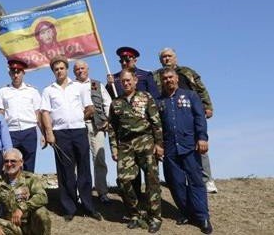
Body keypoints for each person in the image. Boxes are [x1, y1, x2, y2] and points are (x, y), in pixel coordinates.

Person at [39, 57, 102, 221]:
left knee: (84, 168)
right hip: (60, 133)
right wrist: (49, 133)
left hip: (79, 131)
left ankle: (88, 206)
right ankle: (69, 208)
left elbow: (90, 108)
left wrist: (77, 117)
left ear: (66, 69)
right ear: (53, 71)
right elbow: (45, 112)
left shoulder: (79, 87)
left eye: (61, 68)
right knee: (65, 171)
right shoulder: (48, 90)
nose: (59, 71)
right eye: (56, 69)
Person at [157, 69, 213, 234]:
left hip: (189, 145)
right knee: (176, 183)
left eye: (170, 77)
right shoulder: (159, 101)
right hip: (170, 149)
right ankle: (187, 213)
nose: (168, 80)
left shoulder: (190, 95)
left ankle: (202, 216)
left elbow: (199, 118)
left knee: (196, 181)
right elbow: (156, 126)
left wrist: (202, 137)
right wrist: (158, 144)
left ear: (176, 78)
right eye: (165, 78)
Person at [154, 47, 217, 193]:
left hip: (190, 113)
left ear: (175, 57)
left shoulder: (188, 72)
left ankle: (207, 180)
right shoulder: (156, 75)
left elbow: (201, 89)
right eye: (164, 57)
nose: (167, 59)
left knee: (199, 145)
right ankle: (178, 181)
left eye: (169, 56)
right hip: (169, 113)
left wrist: (208, 106)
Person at [108, 70, 164, 233]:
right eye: (123, 81)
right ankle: (135, 214)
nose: (125, 83)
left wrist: (159, 144)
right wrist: (114, 147)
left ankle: (154, 217)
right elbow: (112, 127)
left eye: (128, 80)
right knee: (124, 180)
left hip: (145, 140)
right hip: (125, 145)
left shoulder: (146, 97)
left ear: (135, 80)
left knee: (152, 180)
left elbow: (156, 121)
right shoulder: (116, 103)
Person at [0, 148, 51, 235]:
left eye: (13, 161)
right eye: (6, 161)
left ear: (21, 162)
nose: (9, 164)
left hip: (31, 225)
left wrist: (22, 208)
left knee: (42, 213)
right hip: (12, 226)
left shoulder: (31, 179)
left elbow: (42, 196)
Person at [72, 60, 112, 202]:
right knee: (79, 160)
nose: (80, 71)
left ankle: (102, 192)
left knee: (99, 158)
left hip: (97, 126)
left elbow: (107, 103)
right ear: (74, 72)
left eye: (82, 68)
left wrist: (108, 120)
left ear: (88, 69)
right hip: (78, 126)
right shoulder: (70, 86)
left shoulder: (96, 84)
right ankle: (79, 192)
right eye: (77, 69)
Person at [0, 59, 42, 172]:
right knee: (10, 164)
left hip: (29, 131)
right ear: (9, 73)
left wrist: (43, 134)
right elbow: (0, 115)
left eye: (18, 72)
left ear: (23, 73)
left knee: (29, 165)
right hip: (10, 132)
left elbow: (38, 114)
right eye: (13, 72)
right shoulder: (2, 91)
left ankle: (27, 189)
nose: (16, 75)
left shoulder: (32, 91)